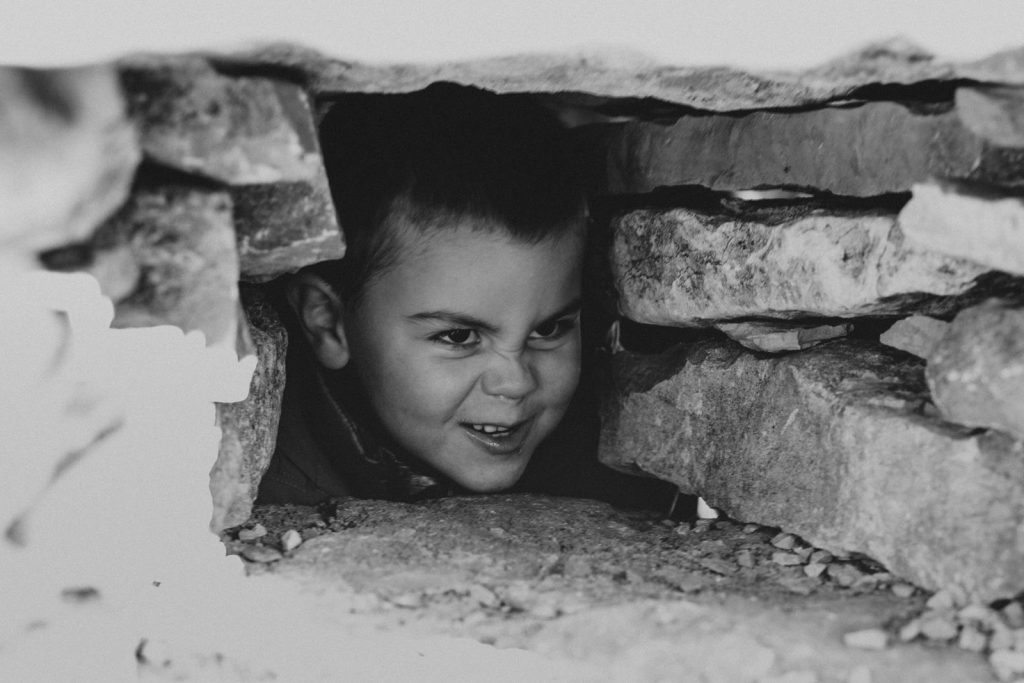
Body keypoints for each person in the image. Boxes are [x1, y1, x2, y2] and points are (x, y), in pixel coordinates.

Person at [256, 83, 674, 510]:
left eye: (549, 329)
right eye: (458, 337)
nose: (515, 383)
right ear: (328, 323)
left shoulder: (627, 470)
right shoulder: (267, 496)